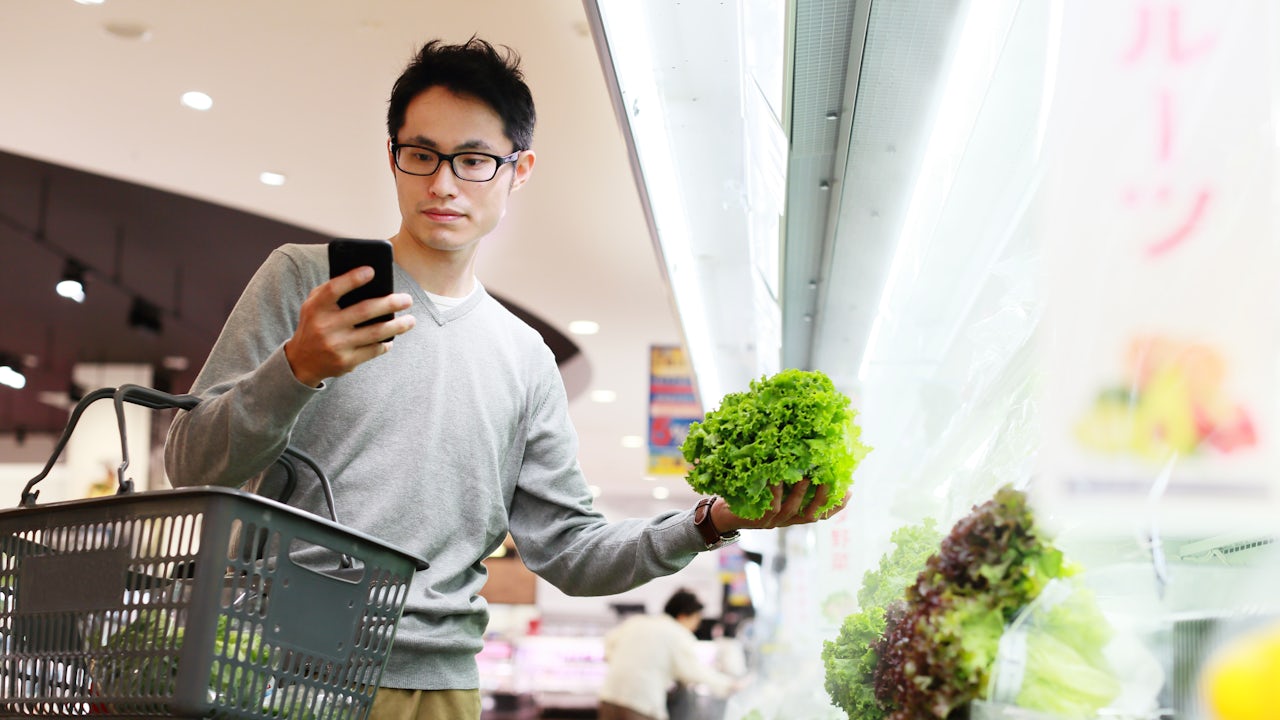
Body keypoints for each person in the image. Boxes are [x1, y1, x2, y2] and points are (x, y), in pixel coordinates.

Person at [163, 37, 847, 720]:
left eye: (474, 160)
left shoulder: (525, 359)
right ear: (393, 157)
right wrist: (295, 369)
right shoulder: (306, 283)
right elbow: (191, 464)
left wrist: (711, 521)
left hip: (442, 688)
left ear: (519, 170)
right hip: (278, 673)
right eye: (421, 155)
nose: (442, 183)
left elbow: (573, 550)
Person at [598, 589, 739, 720]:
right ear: (684, 616)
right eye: (696, 619)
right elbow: (693, 671)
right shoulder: (678, 634)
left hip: (609, 697)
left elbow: (608, 642)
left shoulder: (637, 622)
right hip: (641, 704)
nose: (697, 625)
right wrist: (729, 685)